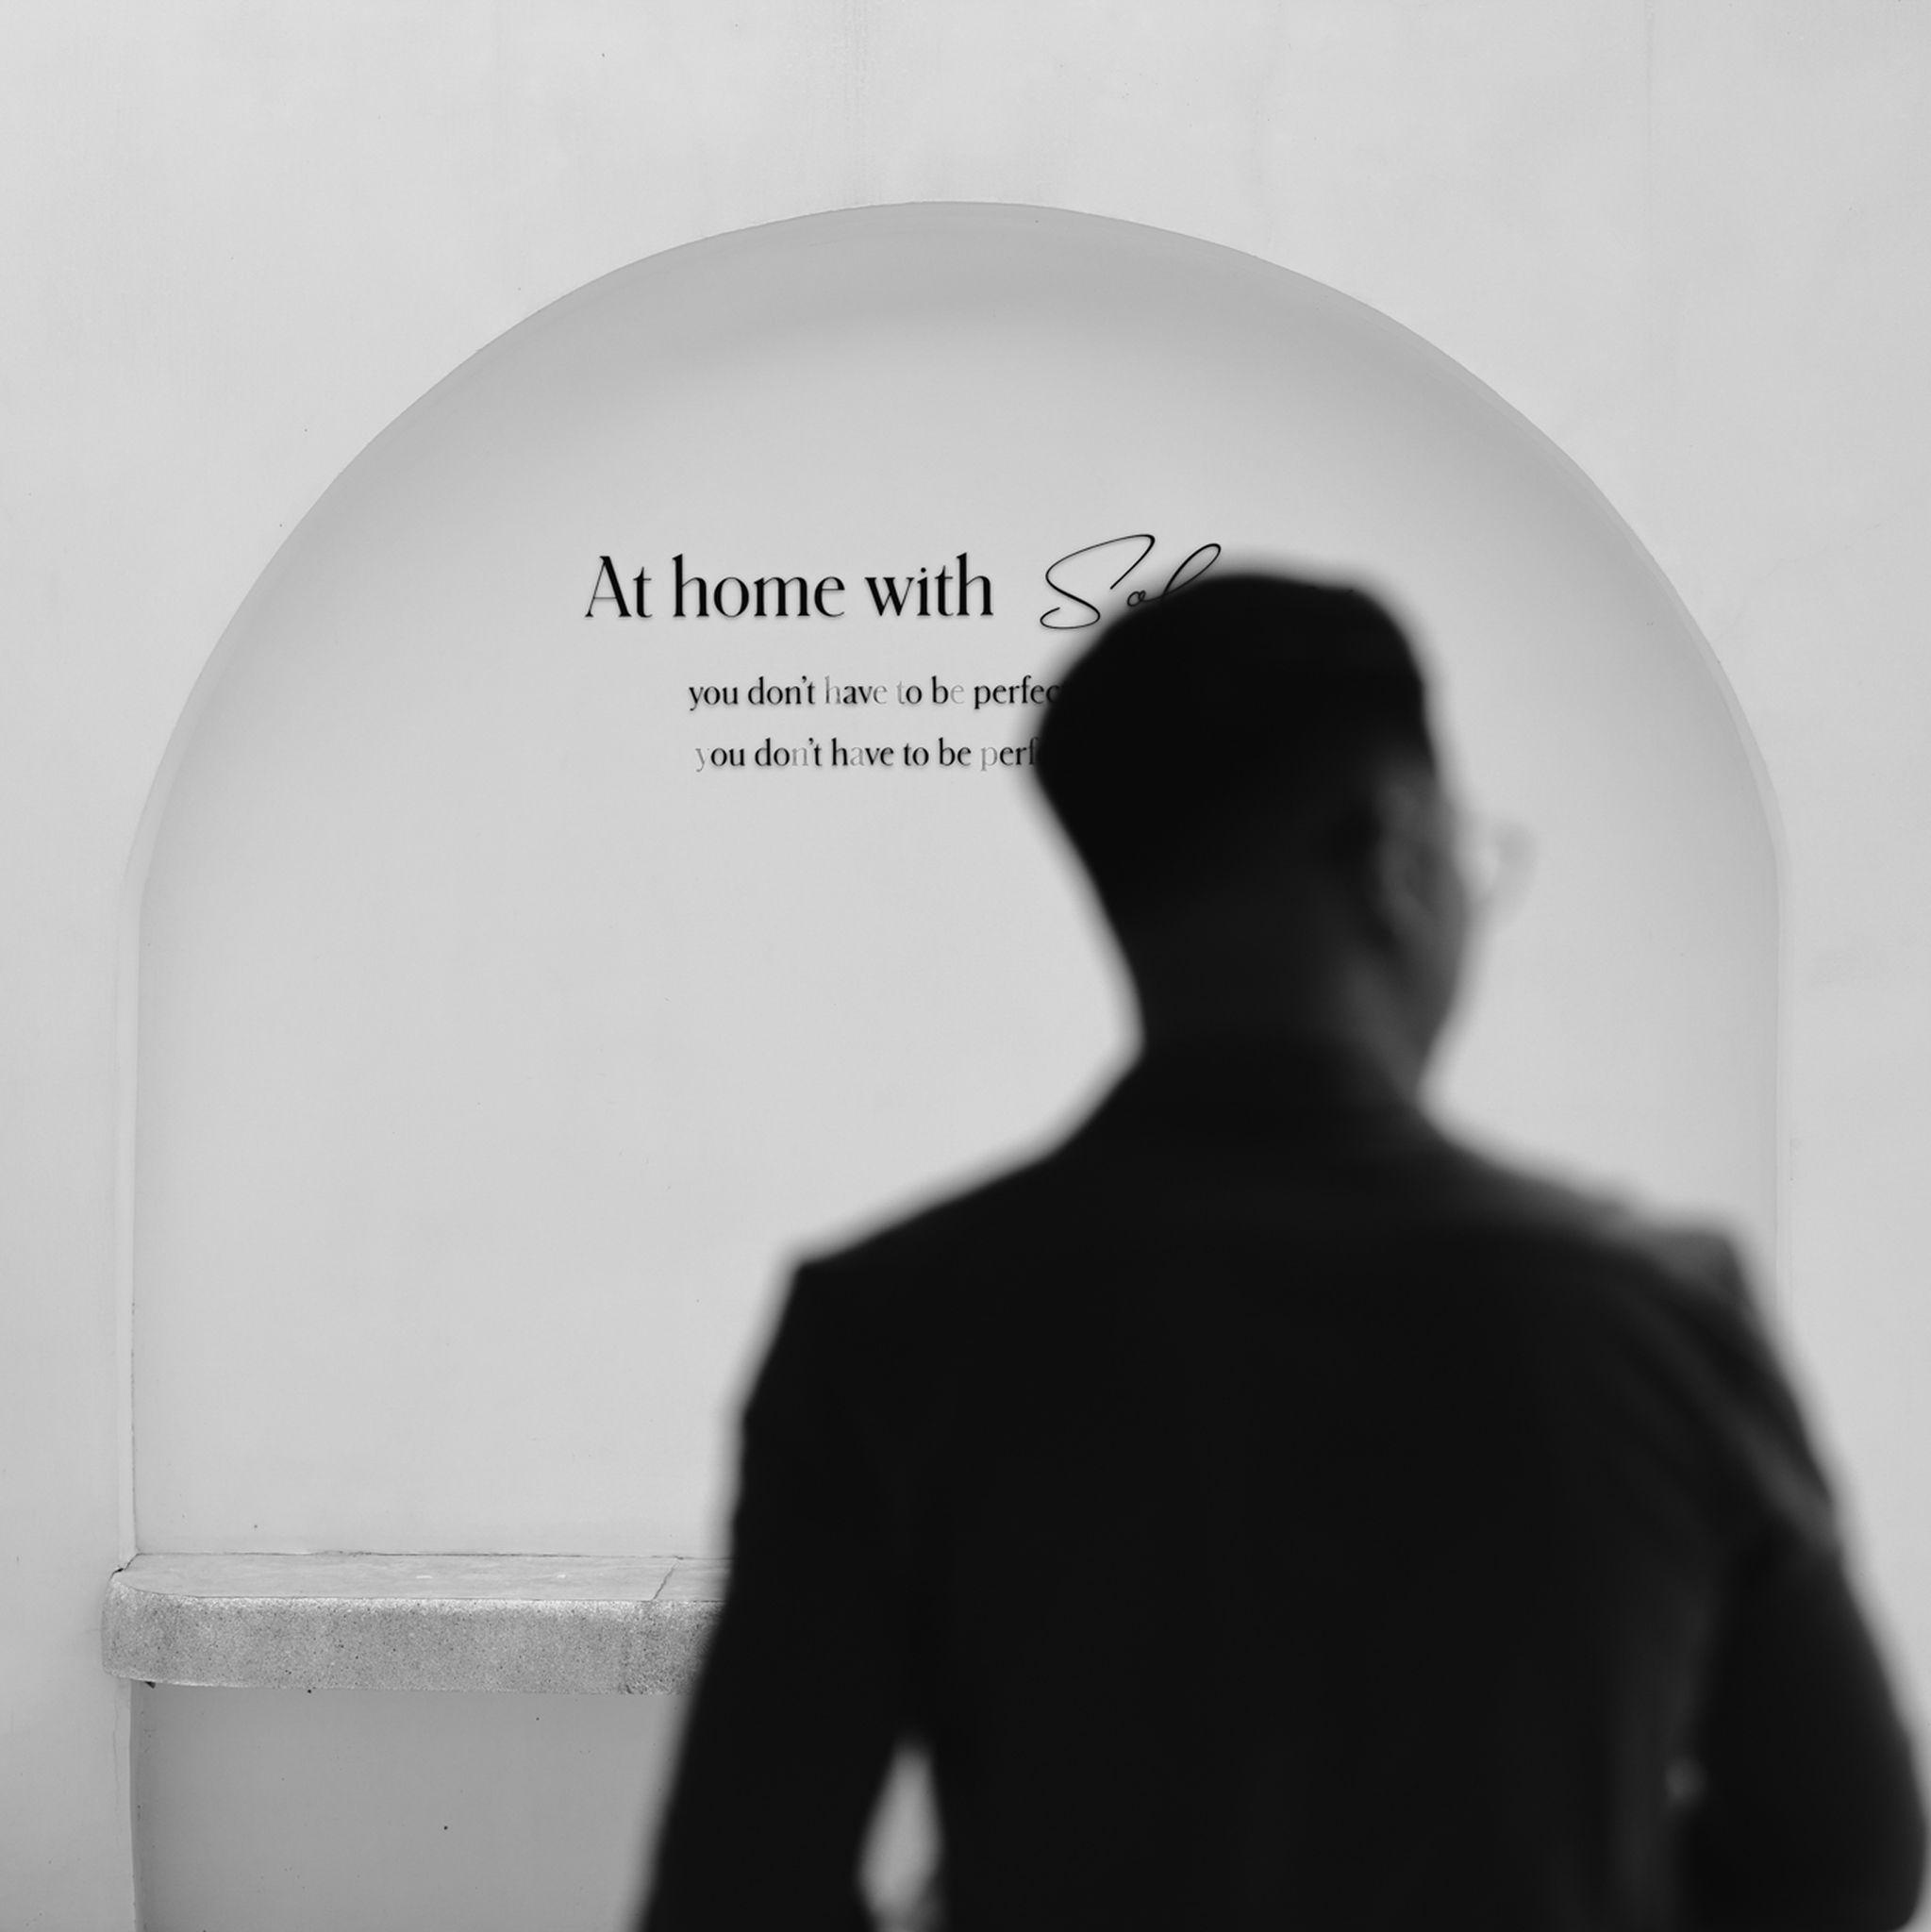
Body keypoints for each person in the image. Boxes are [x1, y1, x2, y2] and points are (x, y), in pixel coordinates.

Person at [640, 573, 1924, 1930]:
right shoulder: (1658, 1315)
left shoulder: (888, 1334)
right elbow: (1841, 1866)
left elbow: (735, 1900)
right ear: (1399, 857)